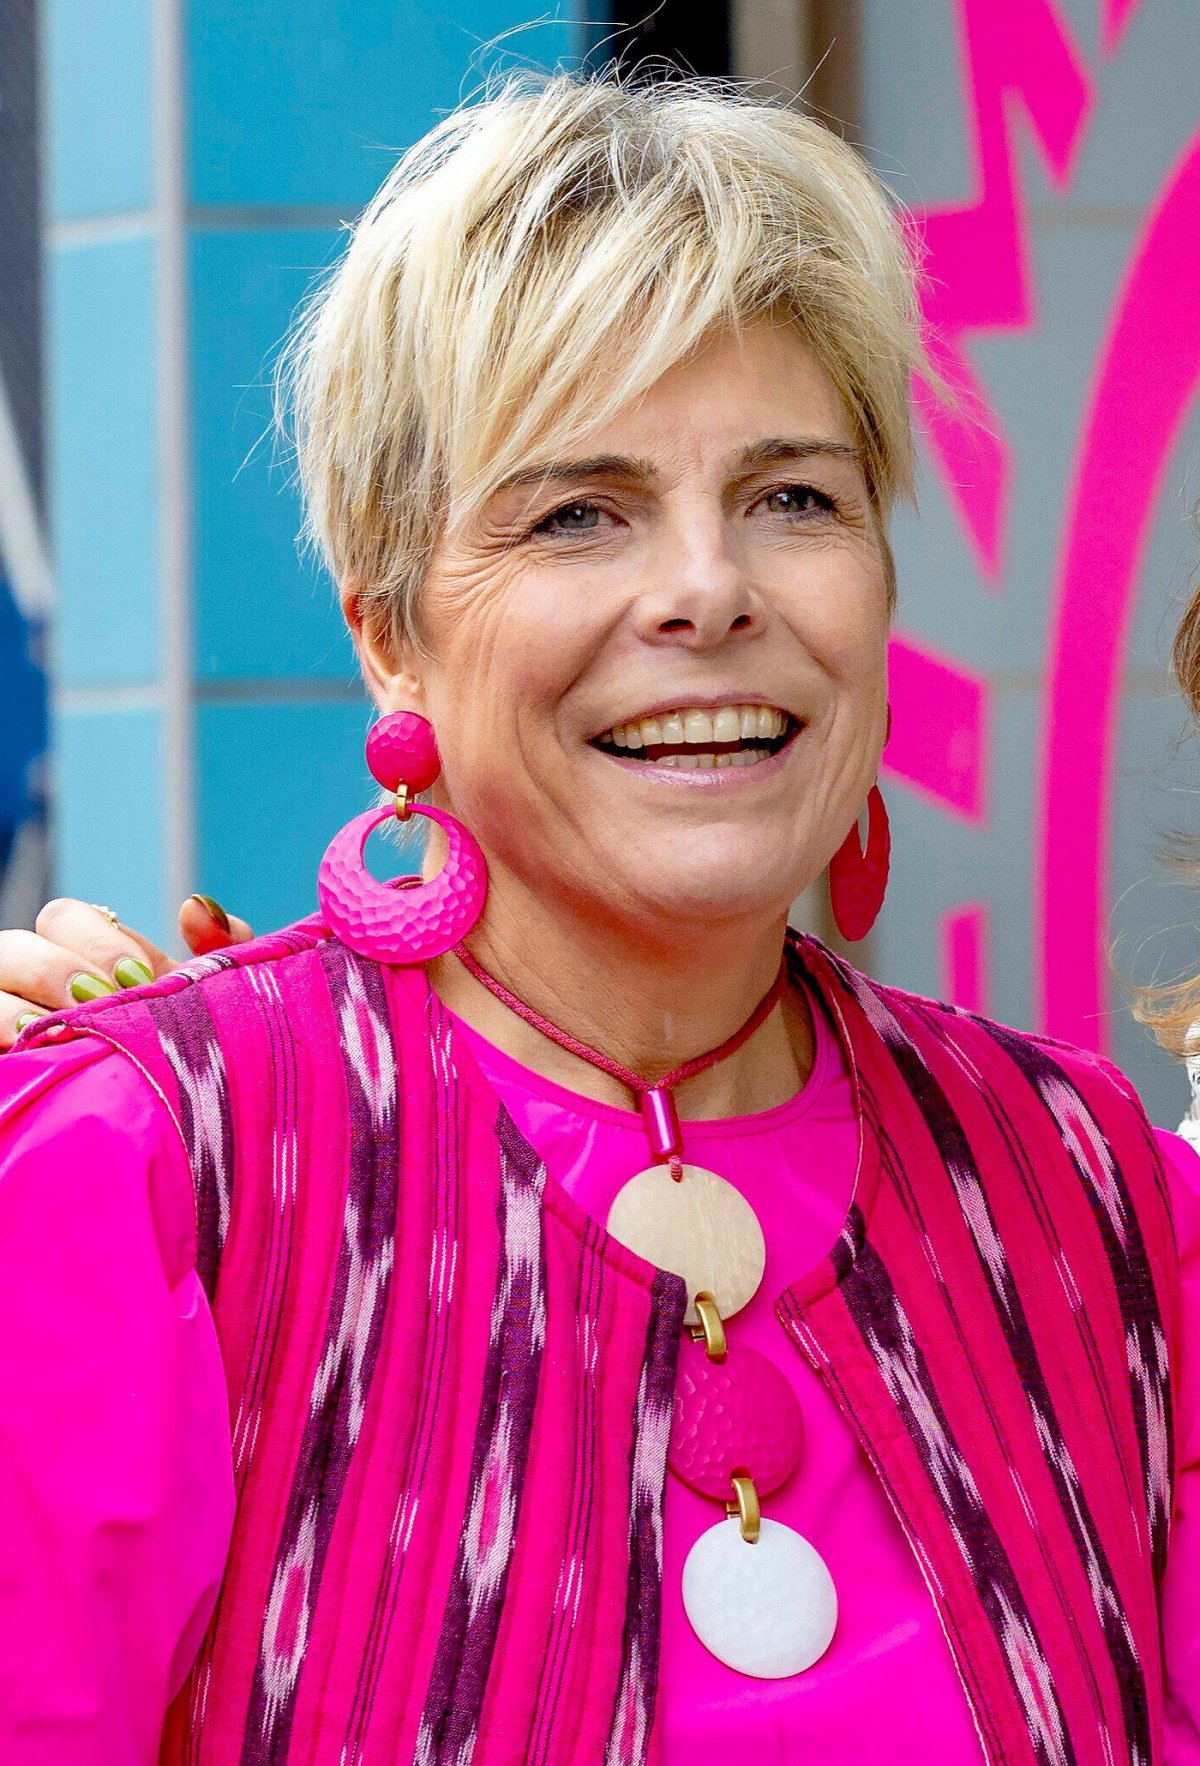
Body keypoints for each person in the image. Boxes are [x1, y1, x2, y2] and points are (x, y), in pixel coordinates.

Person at [0, 71, 1196, 1765]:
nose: (709, 588)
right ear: (388, 632)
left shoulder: (1094, 1197)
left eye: (794, 497)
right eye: (581, 510)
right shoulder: (143, 1177)